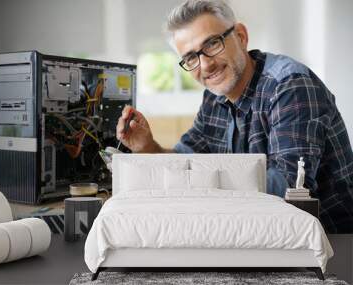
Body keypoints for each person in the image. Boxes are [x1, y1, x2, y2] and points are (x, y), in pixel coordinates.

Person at [116, 0, 353, 234]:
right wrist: (146, 147)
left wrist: (202, 181)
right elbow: (183, 161)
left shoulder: (290, 86)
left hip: (331, 244)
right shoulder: (214, 97)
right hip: (256, 236)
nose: (206, 65)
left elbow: (291, 188)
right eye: (191, 57)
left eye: (212, 44)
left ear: (240, 36)